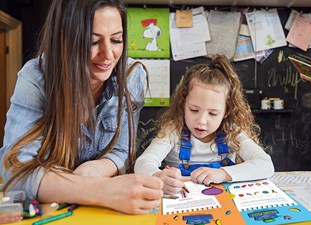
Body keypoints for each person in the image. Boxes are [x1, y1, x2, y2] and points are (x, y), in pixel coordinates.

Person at [0, 0, 163, 215]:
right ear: (65, 41)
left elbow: (123, 149)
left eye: (116, 40)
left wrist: (95, 169)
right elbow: (14, 171)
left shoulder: (133, 77)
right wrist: (99, 189)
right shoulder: (35, 78)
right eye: (93, 42)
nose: (108, 55)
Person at [134, 54, 275, 194]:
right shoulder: (173, 130)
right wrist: (158, 176)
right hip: (183, 202)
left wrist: (223, 174)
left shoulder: (232, 132)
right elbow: (143, 163)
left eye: (213, 114)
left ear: (227, 111)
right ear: (183, 104)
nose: (201, 121)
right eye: (194, 110)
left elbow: (266, 165)